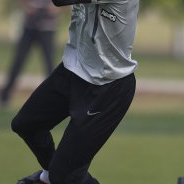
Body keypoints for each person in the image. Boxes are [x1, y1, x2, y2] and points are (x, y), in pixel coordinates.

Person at [12, 0, 139, 184]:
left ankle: (56, 177)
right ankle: (49, 176)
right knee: (26, 124)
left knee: (65, 175)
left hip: (107, 85)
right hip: (72, 70)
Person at [0, 0, 60, 108]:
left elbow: (67, 5)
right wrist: (28, 7)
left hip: (47, 28)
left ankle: (54, 100)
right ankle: (3, 98)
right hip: (30, 27)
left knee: (50, 66)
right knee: (18, 62)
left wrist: (55, 9)